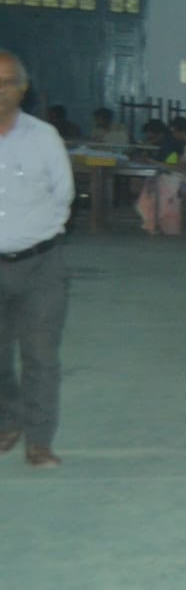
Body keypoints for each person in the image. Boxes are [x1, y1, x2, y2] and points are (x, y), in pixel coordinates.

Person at [0, 50, 73, 469]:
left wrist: (36, 236)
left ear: (22, 89)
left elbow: (62, 196)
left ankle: (40, 440)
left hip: (40, 265)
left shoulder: (44, 137)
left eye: (9, 81)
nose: (1, 90)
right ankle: (8, 420)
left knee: (41, 354)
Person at [136, 115, 186, 236]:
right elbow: (180, 166)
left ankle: (158, 222)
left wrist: (158, 164)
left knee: (161, 184)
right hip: (185, 181)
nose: (172, 134)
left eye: (174, 131)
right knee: (155, 182)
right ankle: (156, 221)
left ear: (182, 131)